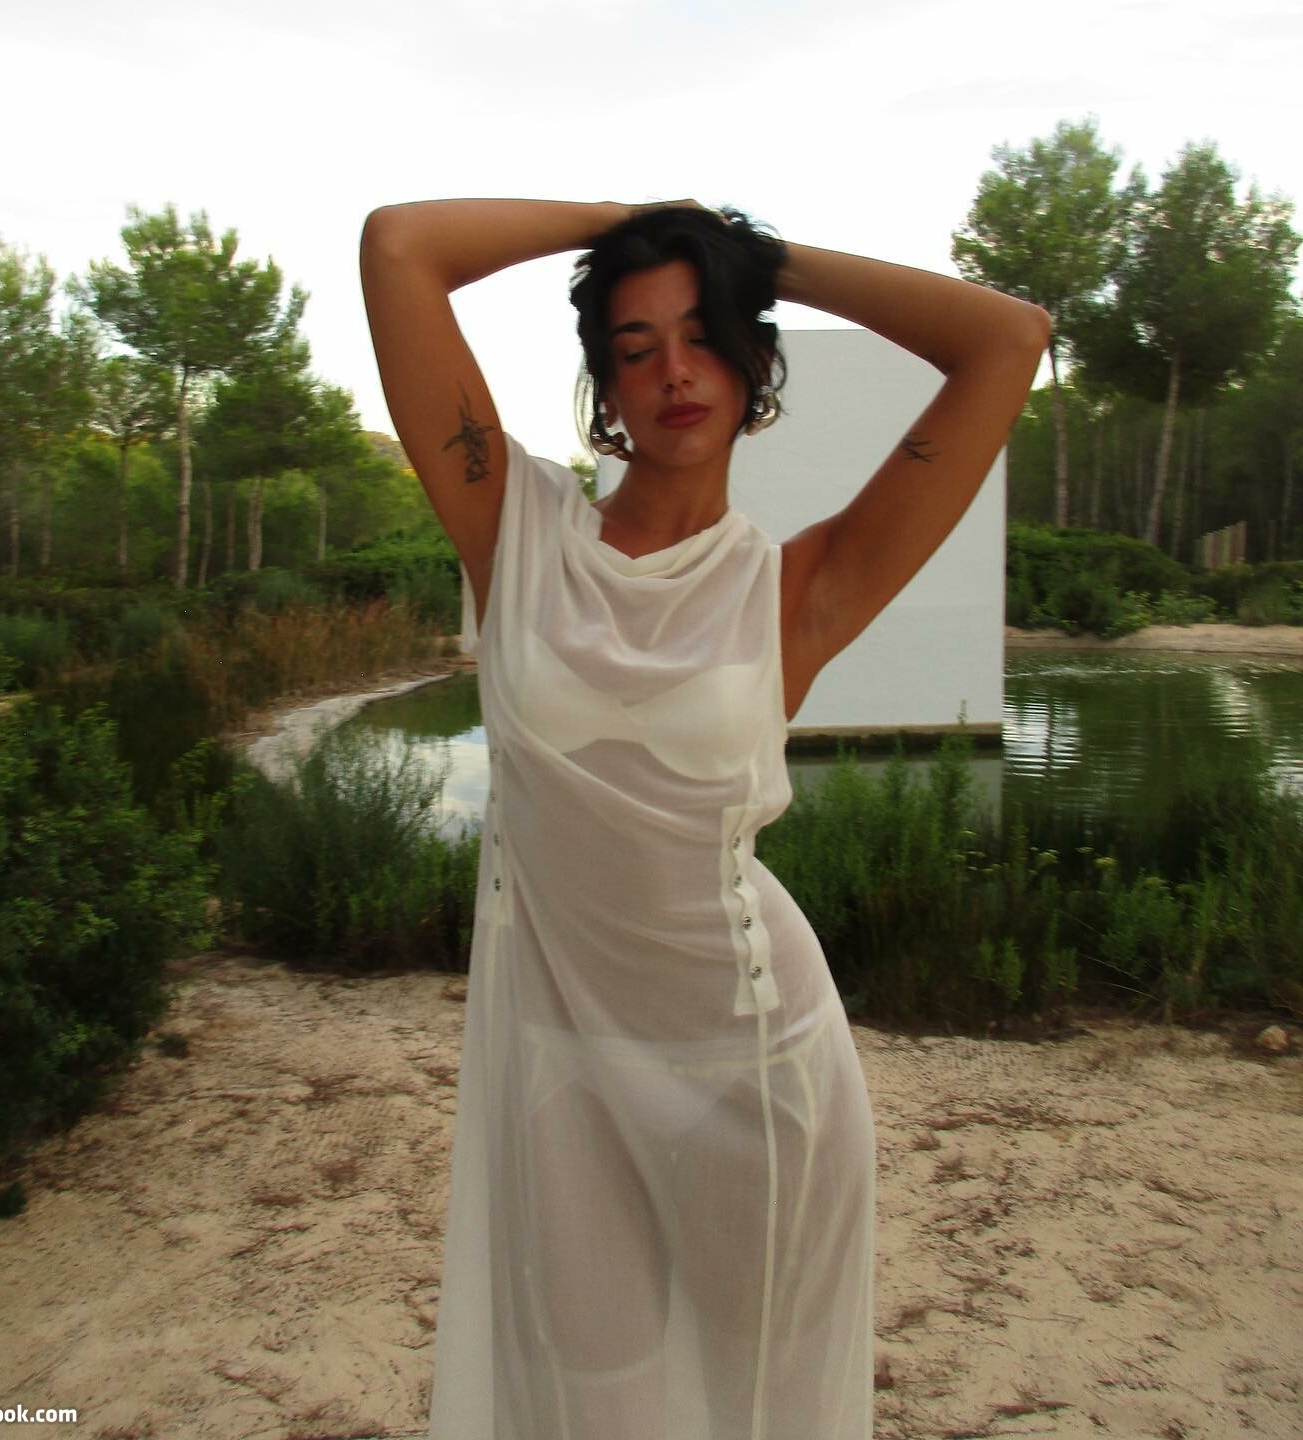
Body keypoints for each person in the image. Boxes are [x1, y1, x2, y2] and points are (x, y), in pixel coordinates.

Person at [360, 199, 1048, 1440]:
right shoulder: (515, 531)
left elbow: (1005, 338)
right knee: (594, 1409)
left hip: (755, 1072)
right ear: (606, 388)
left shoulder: (799, 588)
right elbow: (400, 248)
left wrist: (752, 258)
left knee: (759, 1409)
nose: (674, 371)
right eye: (636, 348)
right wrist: (640, 218)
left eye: (704, 335)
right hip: (563, 1080)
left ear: (750, 362)